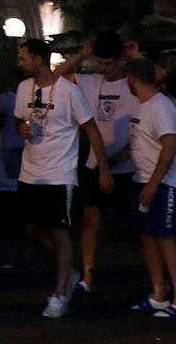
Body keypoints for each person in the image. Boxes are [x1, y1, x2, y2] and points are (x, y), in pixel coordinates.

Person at [14, 38, 110, 319]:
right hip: (30, 172)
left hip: (60, 172)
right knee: (31, 231)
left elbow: (92, 130)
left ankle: (59, 294)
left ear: (37, 59)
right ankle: (66, 271)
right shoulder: (23, 89)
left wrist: (103, 168)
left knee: (60, 231)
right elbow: (19, 119)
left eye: (22, 58)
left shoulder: (68, 91)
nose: (19, 63)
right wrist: (21, 128)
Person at [58, 32, 135, 294]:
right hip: (94, 162)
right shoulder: (91, 81)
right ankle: (88, 274)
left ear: (121, 60)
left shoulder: (133, 84)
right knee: (90, 217)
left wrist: (136, 56)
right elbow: (56, 77)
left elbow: (158, 77)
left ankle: (158, 276)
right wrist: (83, 54)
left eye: (109, 64)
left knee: (139, 225)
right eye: (101, 64)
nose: (104, 69)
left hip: (127, 164)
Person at [125, 58, 176, 318]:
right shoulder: (145, 106)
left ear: (132, 78)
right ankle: (159, 294)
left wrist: (154, 182)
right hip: (144, 179)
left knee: (165, 237)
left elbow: (170, 146)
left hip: (166, 183)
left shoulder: (161, 106)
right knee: (148, 236)